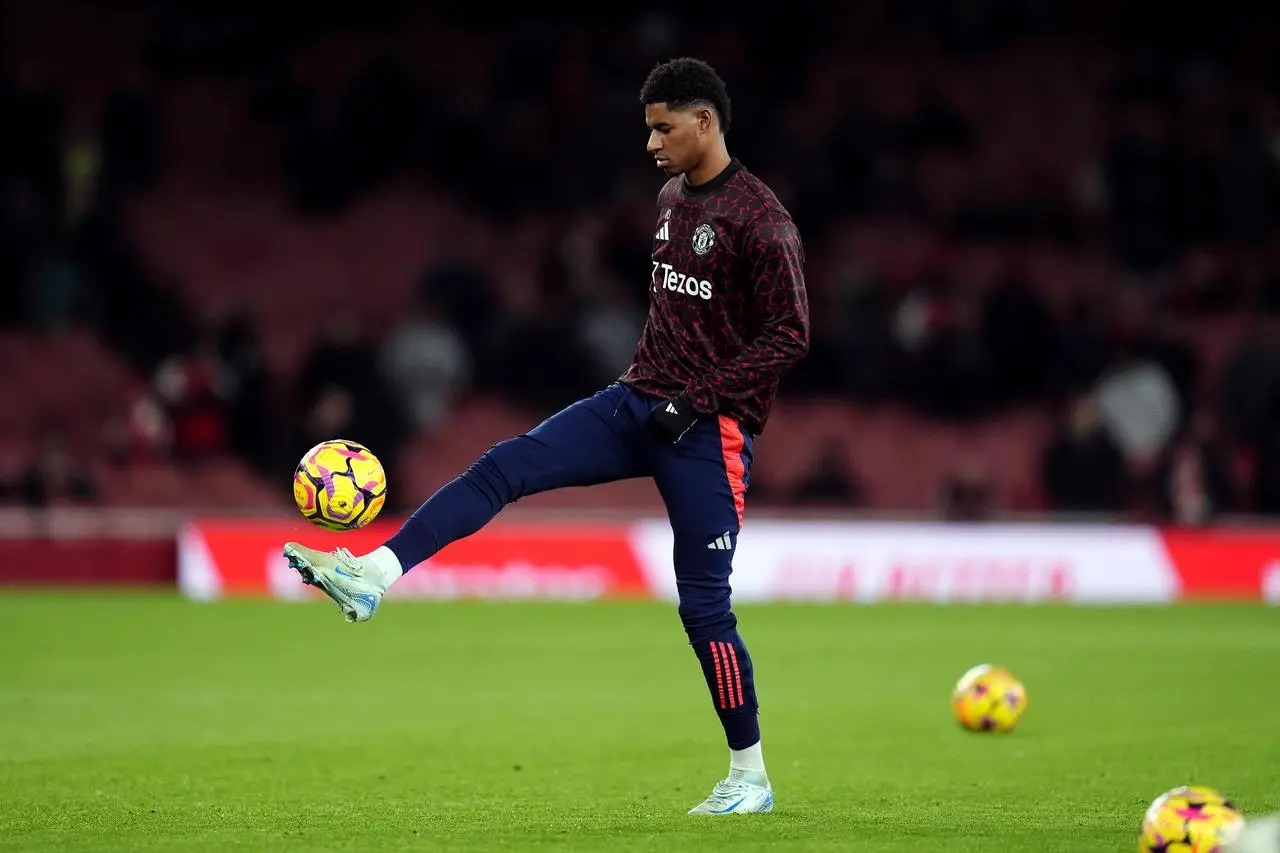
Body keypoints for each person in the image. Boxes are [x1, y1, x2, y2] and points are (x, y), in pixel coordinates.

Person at [283, 57, 809, 816]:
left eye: (664, 129)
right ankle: (375, 574)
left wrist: (697, 400)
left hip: (707, 432)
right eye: (647, 129)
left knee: (704, 609)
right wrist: (656, 389)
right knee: (506, 464)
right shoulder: (669, 200)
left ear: (705, 121)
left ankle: (749, 774)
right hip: (635, 402)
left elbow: (790, 333)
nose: (653, 145)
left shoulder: (763, 221)